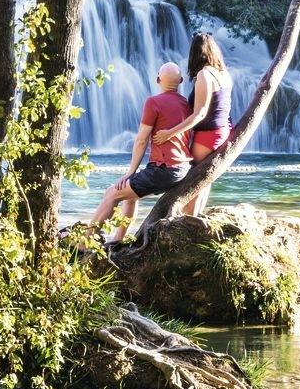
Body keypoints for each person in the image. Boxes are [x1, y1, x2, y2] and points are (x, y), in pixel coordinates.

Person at [90, 61, 192, 242]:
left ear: (157, 79)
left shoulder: (154, 102)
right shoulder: (187, 104)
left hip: (162, 169)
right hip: (181, 168)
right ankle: (117, 239)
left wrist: (130, 172)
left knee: (113, 192)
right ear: (182, 81)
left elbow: (141, 140)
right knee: (129, 196)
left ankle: (85, 241)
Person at [157, 32, 232, 217]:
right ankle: (195, 217)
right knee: (204, 179)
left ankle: (189, 219)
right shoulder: (224, 74)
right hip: (222, 131)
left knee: (192, 180)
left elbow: (200, 114)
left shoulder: (204, 75)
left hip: (207, 135)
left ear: (195, 53)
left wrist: (170, 133)